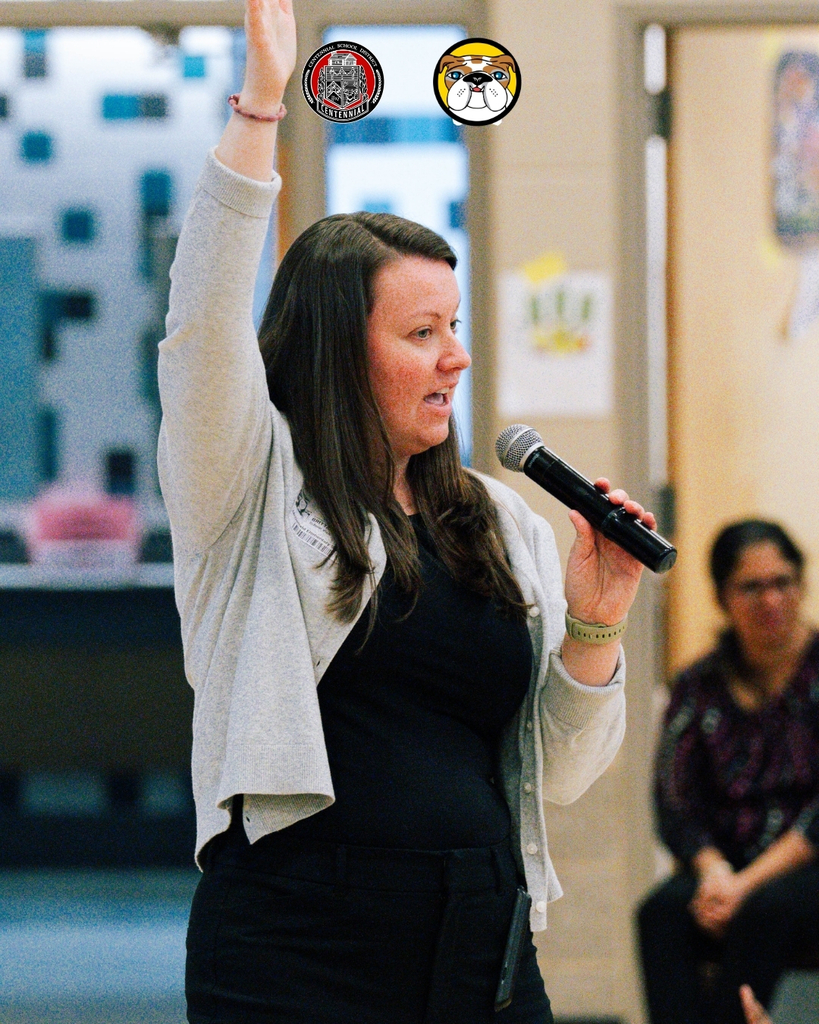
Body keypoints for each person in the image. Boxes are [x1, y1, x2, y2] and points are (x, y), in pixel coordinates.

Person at [158, 2, 656, 1021]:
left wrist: (596, 622)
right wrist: (260, 106)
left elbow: (558, 775)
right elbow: (203, 328)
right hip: (300, 944)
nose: (457, 357)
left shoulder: (499, 523)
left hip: (482, 938)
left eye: (457, 326)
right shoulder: (249, 490)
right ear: (343, 346)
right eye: (423, 330)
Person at [637, 520, 819, 1024]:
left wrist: (743, 886)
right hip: (725, 865)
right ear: (722, 597)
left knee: (765, 911)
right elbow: (673, 799)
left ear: (801, 585)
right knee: (662, 913)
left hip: (804, 868)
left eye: (782, 582)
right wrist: (715, 872)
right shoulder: (699, 683)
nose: (770, 600)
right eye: (751, 587)